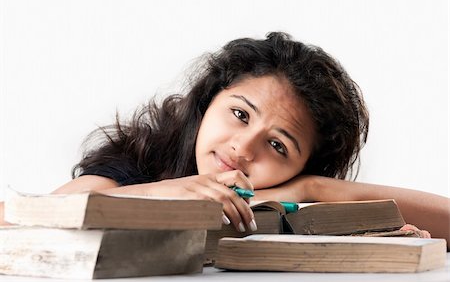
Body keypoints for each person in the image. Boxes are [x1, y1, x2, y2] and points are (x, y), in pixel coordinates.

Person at [1, 32, 448, 248]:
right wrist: (167, 192)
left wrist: (312, 190)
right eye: (239, 114)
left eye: (279, 146)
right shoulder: (139, 158)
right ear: (209, 101)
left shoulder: (287, 199)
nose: (243, 148)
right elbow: (16, 220)